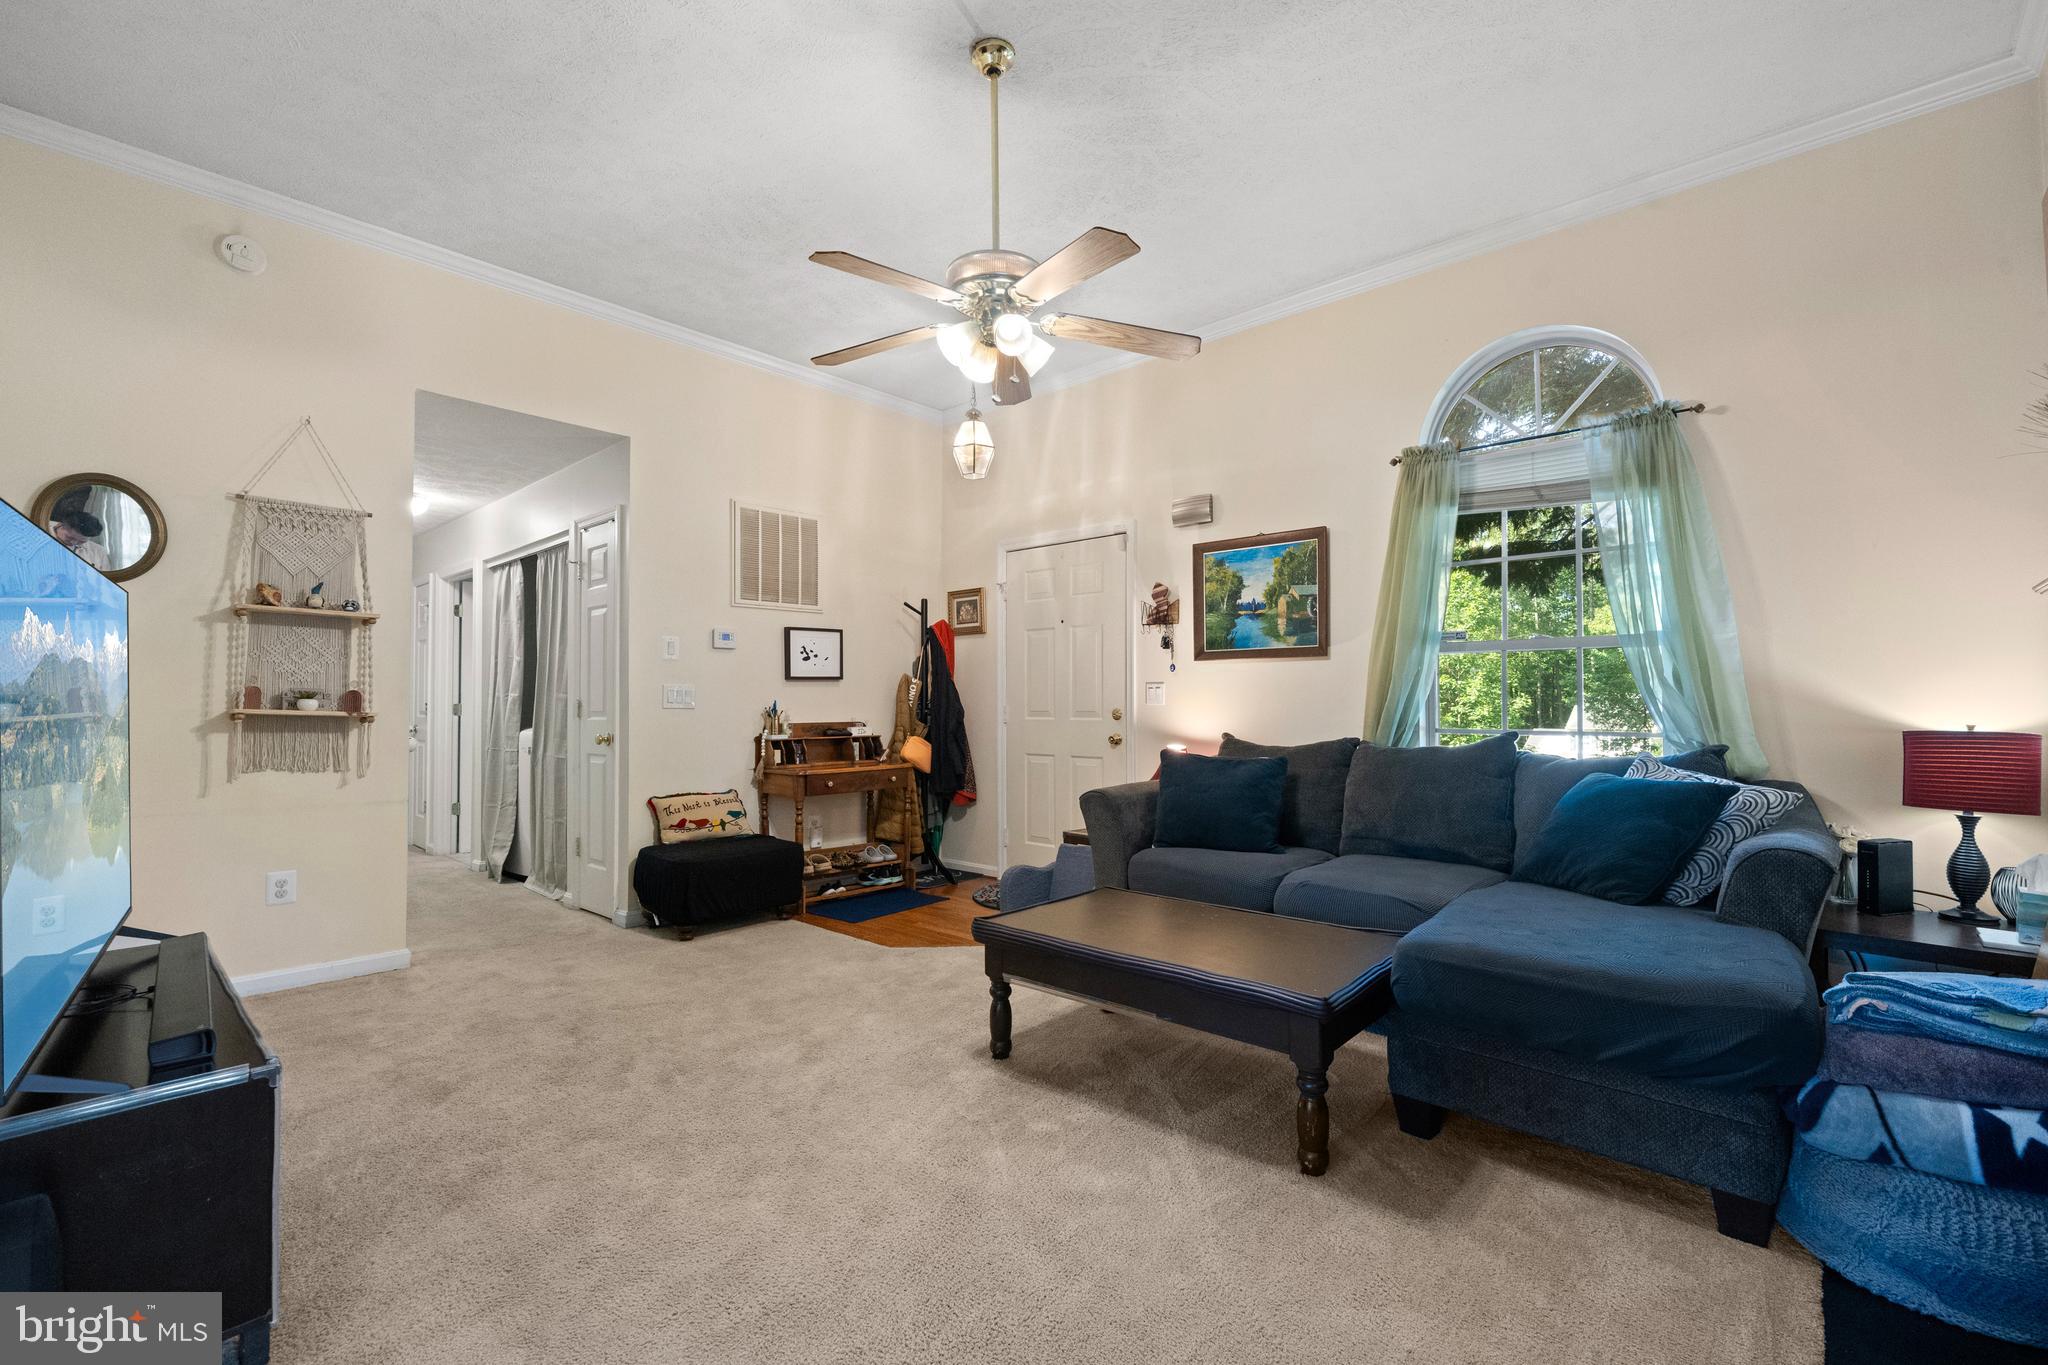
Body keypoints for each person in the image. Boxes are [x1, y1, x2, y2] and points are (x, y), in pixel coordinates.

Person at [48, 505, 110, 570]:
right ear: (60, 525)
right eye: (70, 538)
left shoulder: (99, 551)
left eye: (81, 541)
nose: (74, 543)